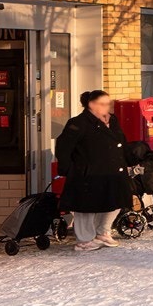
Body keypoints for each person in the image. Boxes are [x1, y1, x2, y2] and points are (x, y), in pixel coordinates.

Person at [54, 89, 132, 251]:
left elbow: (121, 142)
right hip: (88, 173)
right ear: (91, 105)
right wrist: (69, 169)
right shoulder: (78, 123)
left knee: (116, 201)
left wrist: (131, 159)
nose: (107, 107)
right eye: (103, 104)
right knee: (86, 207)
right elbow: (63, 148)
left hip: (112, 170)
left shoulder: (113, 120)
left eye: (108, 103)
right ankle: (84, 240)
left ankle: (103, 232)